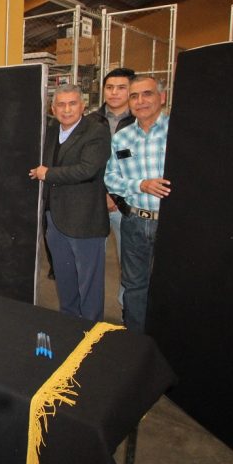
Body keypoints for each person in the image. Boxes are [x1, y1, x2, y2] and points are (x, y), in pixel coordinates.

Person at [30, 84, 111, 322]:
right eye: (61, 105)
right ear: (53, 109)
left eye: (72, 103)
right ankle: (68, 324)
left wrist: (48, 174)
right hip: (54, 220)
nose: (67, 110)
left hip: (84, 220)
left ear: (83, 106)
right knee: (65, 278)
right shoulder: (50, 132)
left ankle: (91, 329)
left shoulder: (96, 132)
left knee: (89, 283)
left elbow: (87, 169)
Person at [103, 75, 170, 333]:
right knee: (134, 286)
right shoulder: (122, 138)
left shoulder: (177, 133)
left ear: (162, 97)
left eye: (147, 94)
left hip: (169, 223)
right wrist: (140, 185)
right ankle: (136, 340)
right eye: (134, 96)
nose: (140, 101)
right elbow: (110, 177)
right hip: (134, 221)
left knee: (169, 285)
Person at [91, 67, 136, 307]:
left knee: (129, 259)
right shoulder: (90, 121)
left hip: (125, 204)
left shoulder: (139, 121)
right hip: (93, 202)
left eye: (121, 87)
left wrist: (116, 196)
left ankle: (126, 308)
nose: (114, 92)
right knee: (90, 260)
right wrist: (102, 195)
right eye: (109, 87)